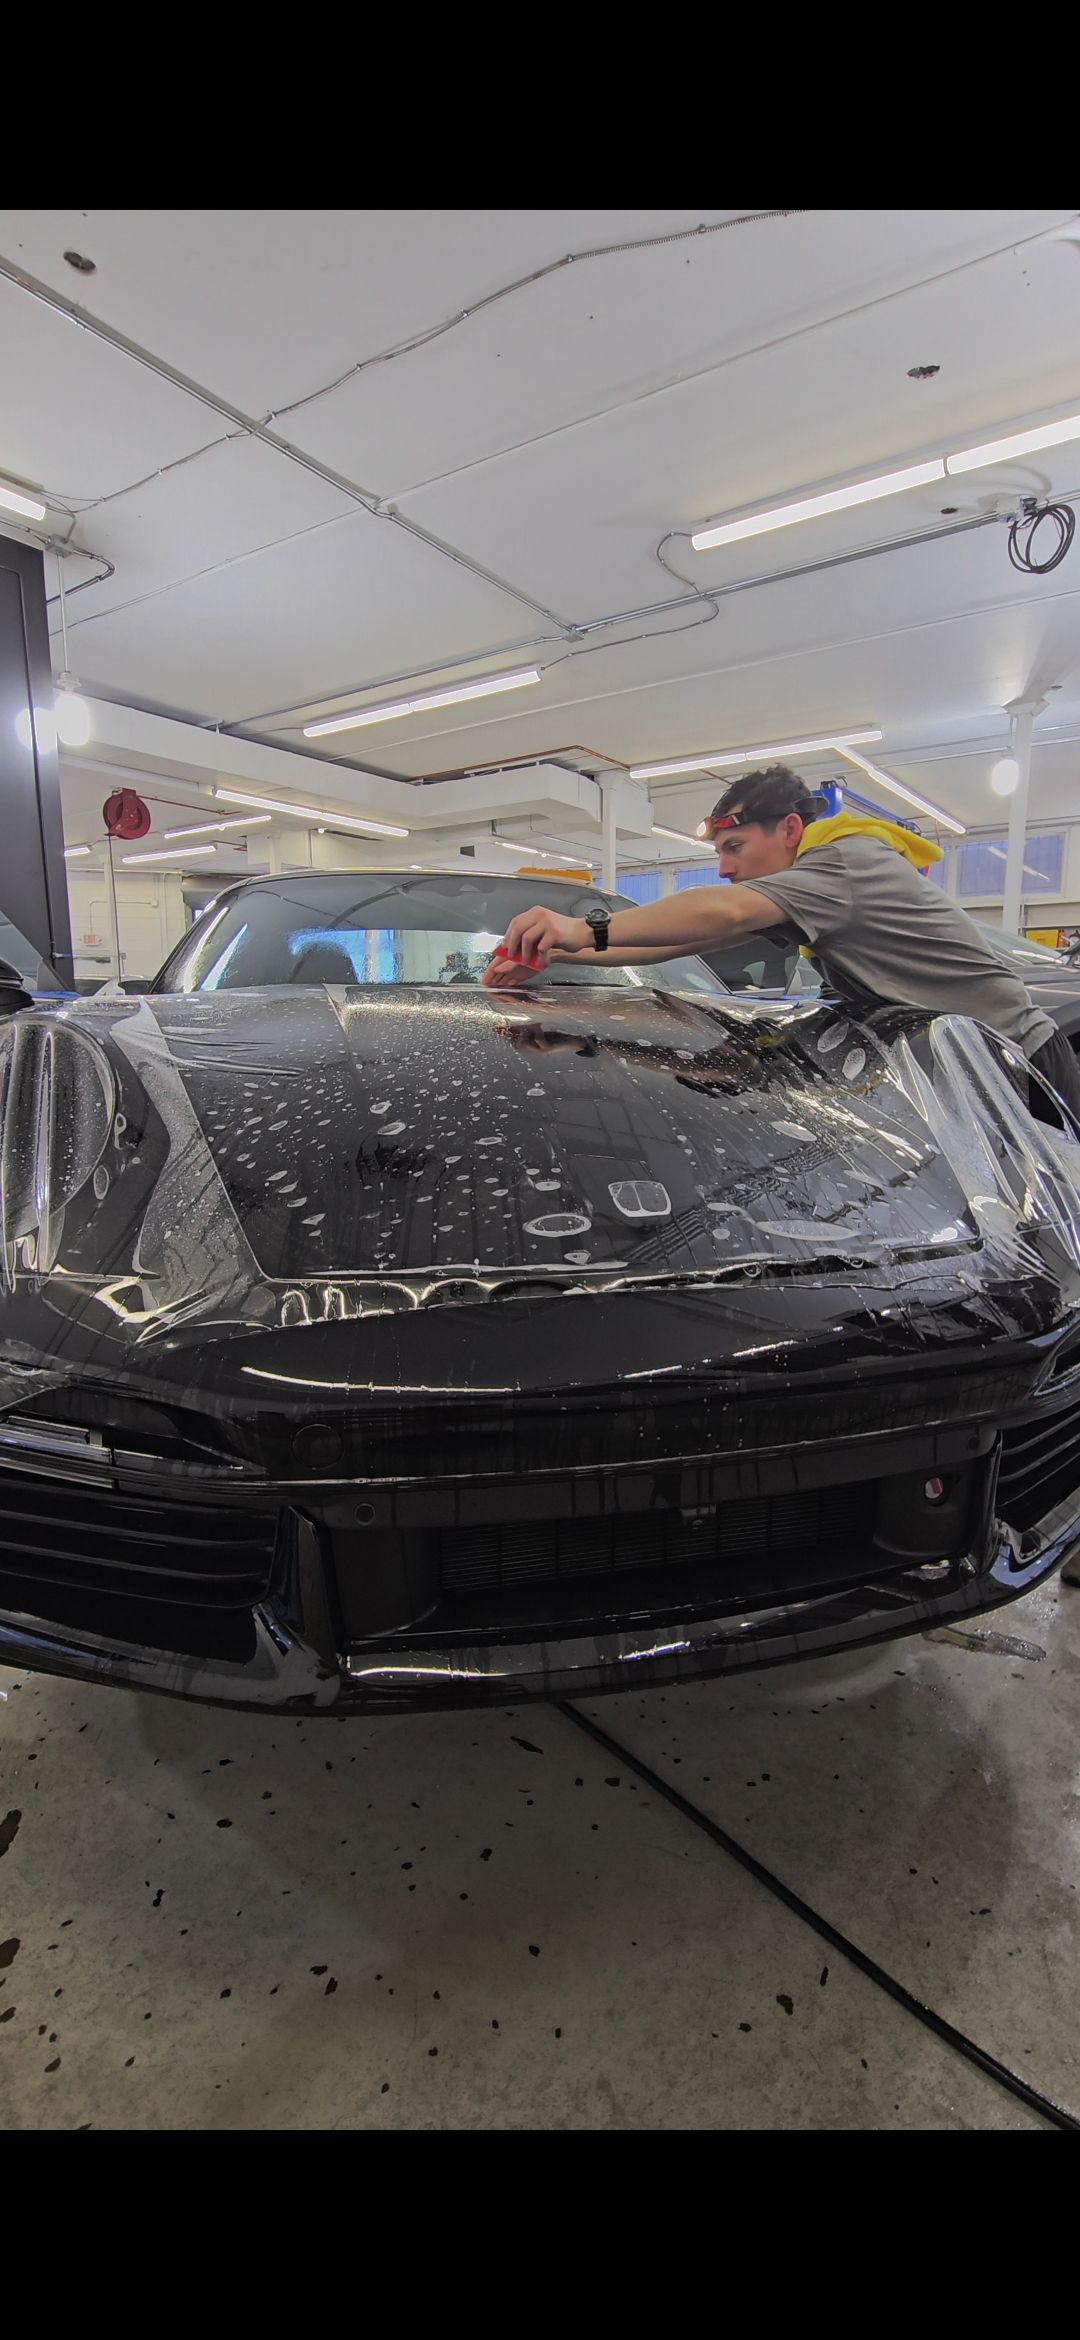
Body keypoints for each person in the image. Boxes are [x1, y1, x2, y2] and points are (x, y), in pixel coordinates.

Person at [482, 761, 1080, 1121]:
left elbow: (721, 910)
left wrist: (582, 927)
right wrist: (561, 953)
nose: (722, 868)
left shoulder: (841, 864)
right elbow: (673, 946)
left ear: (790, 829)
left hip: (1019, 1064)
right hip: (963, 1064)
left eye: (734, 848)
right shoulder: (813, 889)